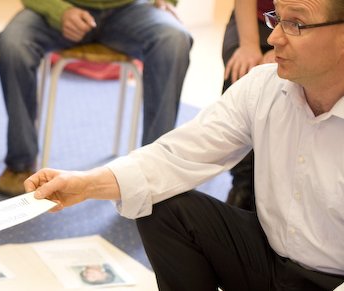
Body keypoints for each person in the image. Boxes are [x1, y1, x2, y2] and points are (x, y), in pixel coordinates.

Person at [25, 0, 344, 288]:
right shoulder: (263, 87)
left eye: (295, 24)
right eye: (277, 18)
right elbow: (177, 156)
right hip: (269, 257)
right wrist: (84, 184)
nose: (273, 38)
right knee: (164, 205)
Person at [0, 0, 192, 197]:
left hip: (129, 10)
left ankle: (154, 170)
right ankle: (20, 164)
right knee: (13, 43)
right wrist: (59, 11)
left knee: (173, 40)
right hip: (61, 6)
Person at [221, 0, 275, 211]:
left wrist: (284, 45)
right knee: (242, 70)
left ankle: (272, 189)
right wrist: (249, 45)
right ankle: (242, 184)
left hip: (306, 24)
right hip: (255, 18)